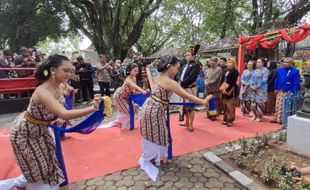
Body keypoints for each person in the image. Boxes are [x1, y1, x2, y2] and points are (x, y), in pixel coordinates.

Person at [9, 54, 101, 190]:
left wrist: (68, 91)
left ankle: (23, 184)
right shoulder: (42, 91)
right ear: (53, 70)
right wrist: (92, 108)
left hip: (43, 129)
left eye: (71, 71)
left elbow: (63, 100)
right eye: (66, 71)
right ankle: (18, 185)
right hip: (25, 133)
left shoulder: (61, 85)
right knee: (37, 170)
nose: (69, 74)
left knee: (49, 164)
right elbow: (64, 113)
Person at [139, 55, 210, 181]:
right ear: (170, 67)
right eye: (177, 68)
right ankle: (157, 159)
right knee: (159, 134)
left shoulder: (159, 77)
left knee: (158, 134)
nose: (178, 70)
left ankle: (158, 158)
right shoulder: (170, 82)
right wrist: (203, 101)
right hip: (154, 110)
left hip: (149, 107)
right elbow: (187, 95)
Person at [111, 63, 149, 129]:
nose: (136, 72)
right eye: (134, 71)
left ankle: (123, 123)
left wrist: (144, 91)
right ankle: (121, 123)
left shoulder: (134, 78)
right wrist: (143, 91)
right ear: (129, 71)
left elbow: (134, 90)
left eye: (137, 71)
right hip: (119, 96)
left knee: (133, 109)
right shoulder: (128, 79)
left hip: (128, 96)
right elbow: (135, 86)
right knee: (128, 110)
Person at [179, 44, 201, 132]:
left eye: (188, 55)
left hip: (190, 88)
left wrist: (181, 83)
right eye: (186, 55)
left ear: (193, 56)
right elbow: (180, 75)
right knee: (185, 106)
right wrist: (179, 82)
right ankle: (186, 122)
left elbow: (192, 77)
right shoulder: (184, 65)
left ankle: (191, 124)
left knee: (190, 107)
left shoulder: (196, 65)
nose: (186, 56)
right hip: (183, 87)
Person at [272, 57, 301, 124]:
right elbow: (277, 80)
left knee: (285, 106)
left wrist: (293, 91)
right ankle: (277, 118)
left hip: (288, 91)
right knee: (278, 105)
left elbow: (296, 82)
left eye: (287, 62)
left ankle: (283, 120)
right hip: (280, 90)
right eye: (284, 62)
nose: (284, 63)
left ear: (290, 63)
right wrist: (276, 88)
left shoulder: (295, 71)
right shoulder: (280, 70)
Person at [220, 58, 239, 127]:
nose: (228, 64)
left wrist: (227, 90)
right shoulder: (226, 70)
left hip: (231, 90)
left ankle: (230, 120)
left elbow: (233, 82)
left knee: (230, 106)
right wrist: (222, 89)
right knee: (225, 105)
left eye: (230, 62)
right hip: (224, 88)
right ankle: (225, 119)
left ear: (233, 63)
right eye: (227, 62)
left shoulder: (235, 71)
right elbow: (223, 80)